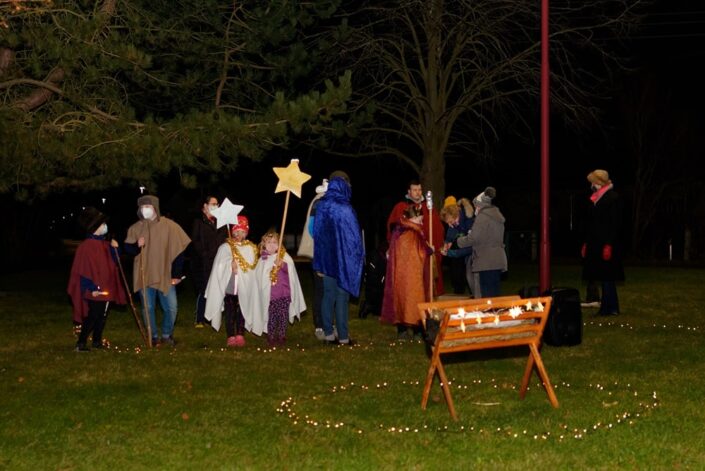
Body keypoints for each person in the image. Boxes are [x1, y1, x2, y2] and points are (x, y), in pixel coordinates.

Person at [124, 195, 191, 347]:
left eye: (148, 206)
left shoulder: (170, 226)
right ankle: (153, 336)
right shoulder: (136, 227)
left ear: (155, 207)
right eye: (142, 207)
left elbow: (179, 250)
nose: (145, 209)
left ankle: (167, 335)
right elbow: (128, 248)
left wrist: (177, 274)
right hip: (145, 273)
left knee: (171, 307)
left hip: (165, 274)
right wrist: (136, 245)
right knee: (148, 308)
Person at [312, 170, 365, 346]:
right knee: (341, 296)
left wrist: (320, 261)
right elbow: (354, 238)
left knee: (328, 295)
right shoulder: (345, 208)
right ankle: (343, 336)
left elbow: (317, 235)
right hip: (343, 261)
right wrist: (356, 259)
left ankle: (328, 334)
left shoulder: (321, 205)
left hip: (326, 260)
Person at [68, 207, 127, 351]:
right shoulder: (86, 247)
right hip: (95, 290)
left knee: (102, 316)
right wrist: (91, 287)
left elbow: (115, 260)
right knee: (93, 316)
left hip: (107, 288)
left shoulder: (105, 244)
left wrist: (115, 248)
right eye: (102, 225)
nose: (105, 227)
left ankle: (97, 341)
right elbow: (83, 269)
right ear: (95, 227)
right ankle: (81, 343)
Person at [204, 216, 263, 347]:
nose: (239, 234)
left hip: (244, 287)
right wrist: (229, 264)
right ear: (233, 231)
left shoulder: (250, 248)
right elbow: (219, 265)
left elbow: (252, 267)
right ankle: (230, 335)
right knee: (230, 312)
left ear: (246, 233)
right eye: (237, 231)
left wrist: (242, 268)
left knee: (242, 310)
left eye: (243, 231)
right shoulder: (225, 247)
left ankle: (240, 334)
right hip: (230, 287)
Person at [380, 205, 433, 340]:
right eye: (420, 218)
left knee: (401, 299)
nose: (422, 221)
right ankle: (417, 330)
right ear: (413, 218)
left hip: (400, 274)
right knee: (415, 299)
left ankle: (402, 330)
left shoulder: (399, 230)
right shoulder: (413, 232)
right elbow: (420, 252)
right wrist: (429, 249)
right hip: (412, 274)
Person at [386, 179, 445, 295]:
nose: (418, 192)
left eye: (419, 190)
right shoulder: (401, 207)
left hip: (427, 251)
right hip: (409, 254)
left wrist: (436, 246)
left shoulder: (428, 208)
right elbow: (393, 228)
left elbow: (437, 229)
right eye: (415, 190)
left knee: (426, 283)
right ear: (409, 191)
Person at [581, 169, 624, 316]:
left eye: (593, 181)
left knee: (608, 276)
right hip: (596, 242)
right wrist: (587, 242)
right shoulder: (595, 198)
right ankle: (607, 306)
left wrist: (609, 244)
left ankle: (611, 307)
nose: (591, 184)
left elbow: (615, 223)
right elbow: (590, 223)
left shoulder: (612, 198)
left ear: (598, 182)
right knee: (603, 276)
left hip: (607, 243)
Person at [257, 230, 306, 346]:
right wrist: (271, 268)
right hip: (271, 296)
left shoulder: (284, 257)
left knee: (283, 316)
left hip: (284, 294)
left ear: (279, 244)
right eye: (269, 242)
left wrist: (282, 264)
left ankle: (282, 335)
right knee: (272, 316)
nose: (272, 245)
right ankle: (271, 335)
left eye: (275, 242)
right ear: (264, 244)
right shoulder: (262, 260)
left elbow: (291, 272)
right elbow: (260, 277)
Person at [456, 187, 507, 298]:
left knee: (487, 297)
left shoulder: (482, 217)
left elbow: (474, 238)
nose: (475, 210)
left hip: (486, 261)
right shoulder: (496, 216)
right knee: (494, 295)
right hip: (497, 260)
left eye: (475, 206)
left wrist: (459, 241)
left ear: (479, 205)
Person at [297, 179, 328, 340]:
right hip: (319, 253)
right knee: (321, 290)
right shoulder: (319, 202)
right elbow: (312, 227)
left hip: (331, 255)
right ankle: (320, 325)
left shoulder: (333, 202)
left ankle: (329, 323)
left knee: (330, 291)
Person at [190, 195, 227, 328]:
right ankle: (200, 318)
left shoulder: (221, 222)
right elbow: (195, 241)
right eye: (213, 203)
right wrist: (205, 254)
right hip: (203, 262)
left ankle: (215, 317)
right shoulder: (199, 222)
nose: (216, 206)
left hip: (219, 261)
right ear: (205, 206)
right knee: (204, 289)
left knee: (218, 288)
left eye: (217, 204)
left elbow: (224, 239)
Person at [440, 196, 476, 296]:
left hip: (478, 251)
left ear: (456, 216)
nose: (450, 225)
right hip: (467, 249)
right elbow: (451, 234)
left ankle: (479, 300)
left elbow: (470, 246)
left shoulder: (469, 220)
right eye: (448, 224)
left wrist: (451, 253)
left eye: (450, 222)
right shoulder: (455, 221)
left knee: (472, 277)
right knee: (468, 276)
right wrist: (447, 243)